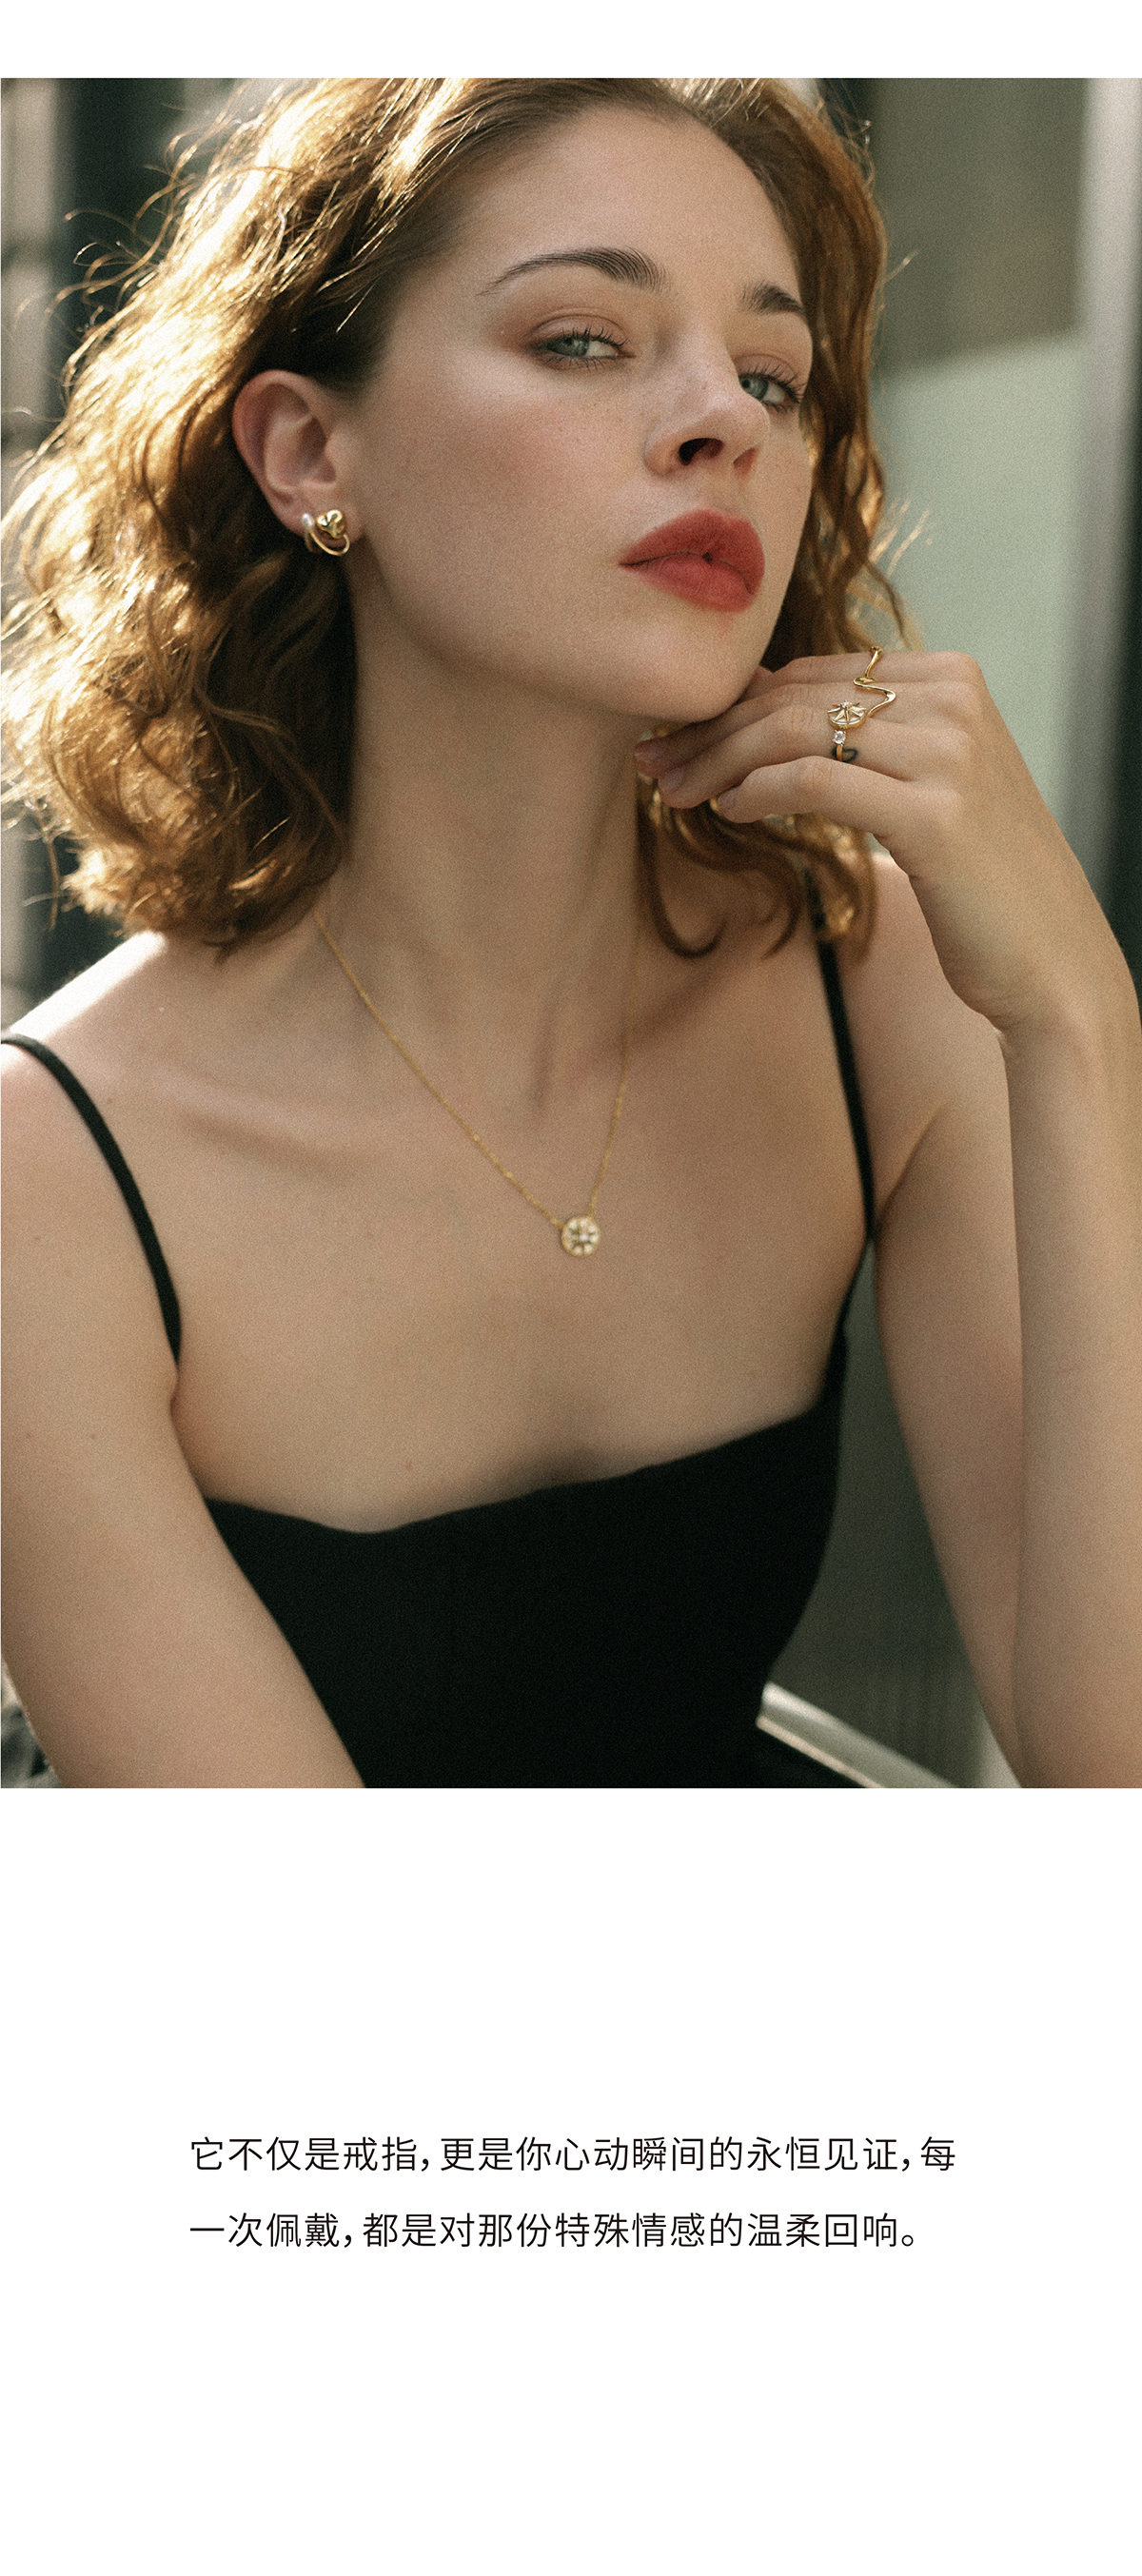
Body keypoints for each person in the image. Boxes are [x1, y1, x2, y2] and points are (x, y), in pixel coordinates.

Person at [3, 77, 1140, 1789]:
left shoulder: (880, 983)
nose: (721, 420)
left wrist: (1075, 1015)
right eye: (584, 341)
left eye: (772, 374)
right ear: (312, 455)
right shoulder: (49, 1186)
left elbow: (1107, 1769)